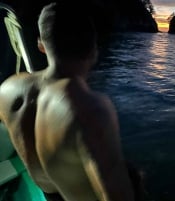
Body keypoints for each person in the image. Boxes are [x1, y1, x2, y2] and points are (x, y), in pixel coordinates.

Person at [0, 2, 136, 201]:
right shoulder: (90, 109)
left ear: (40, 45)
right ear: (93, 51)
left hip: (45, 190)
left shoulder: (7, 89)